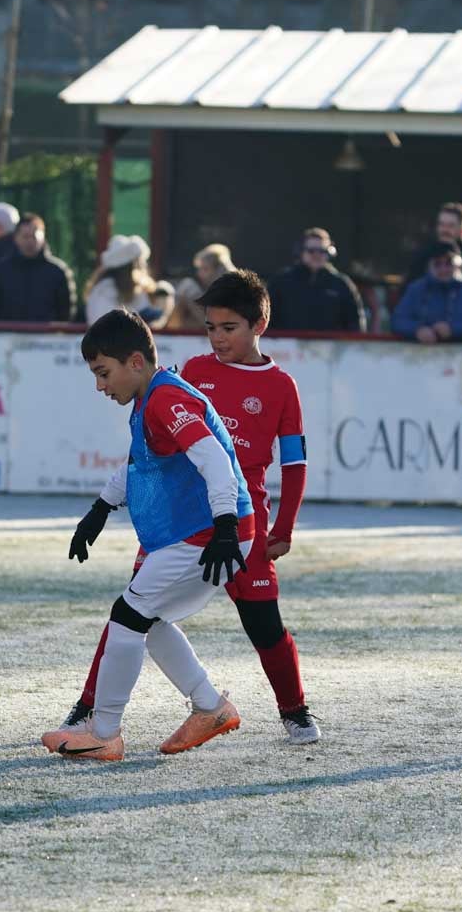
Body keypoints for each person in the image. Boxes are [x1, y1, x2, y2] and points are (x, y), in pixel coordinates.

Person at [56, 270, 319, 744]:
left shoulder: (281, 387)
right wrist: (103, 505)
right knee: (138, 612)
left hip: (232, 521)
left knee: (260, 625)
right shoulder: (188, 375)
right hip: (185, 522)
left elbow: (287, 462)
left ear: (259, 324)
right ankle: (92, 709)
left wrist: (283, 526)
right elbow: (149, 455)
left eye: (228, 328)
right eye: (210, 328)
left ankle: (294, 710)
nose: (217, 337)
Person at [39, 309, 256, 761]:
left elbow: (214, 459)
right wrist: (100, 508)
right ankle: (211, 708)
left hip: (205, 535)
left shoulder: (164, 400)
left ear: (135, 362)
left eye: (103, 373)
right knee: (149, 620)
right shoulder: (151, 399)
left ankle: (104, 731)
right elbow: (140, 465)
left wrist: (224, 526)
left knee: (127, 616)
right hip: (202, 532)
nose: (100, 386)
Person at [268, 227, 366, 333]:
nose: (317, 255)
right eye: (311, 251)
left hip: (332, 348)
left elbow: (355, 325)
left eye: (322, 251)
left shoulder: (341, 284)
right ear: (300, 252)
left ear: (330, 253)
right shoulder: (280, 282)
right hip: (288, 348)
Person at [390, 242, 462, 343]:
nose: (443, 269)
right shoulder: (416, 288)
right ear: (429, 266)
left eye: (449, 263)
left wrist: (454, 329)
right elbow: (397, 320)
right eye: (437, 264)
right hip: (422, 353)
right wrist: (417, 330)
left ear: (459, 265)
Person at [406, 202, 462, 309]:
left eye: (451, 226)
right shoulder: (425, 254)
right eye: (441, 224)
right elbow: (408, 295)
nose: (445, 230)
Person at [0, 213, 77, 322]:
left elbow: (66, 312)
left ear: (43, 238)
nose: (30, 241)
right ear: (16, 238)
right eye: (25, 236)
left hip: (48, 337)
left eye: (34, 237)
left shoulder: (58, 272)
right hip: (7, 336)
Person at [163, 243, 234, 332]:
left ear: (220, 269)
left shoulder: (233, 289)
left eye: (205, 269)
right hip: (200, 336)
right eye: (199, 269)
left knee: (188, 288)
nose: (199, 274)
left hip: (218, 335)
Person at [83, 234, 153, 323]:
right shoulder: (105, 291)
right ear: (128, 269)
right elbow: (107, 327)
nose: (142, 268)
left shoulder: (136, 290)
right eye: (137, 263)